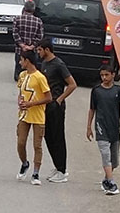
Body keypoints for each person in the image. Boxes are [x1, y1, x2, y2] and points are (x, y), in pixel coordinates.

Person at [86, 63, 120, 195]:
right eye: (102, 75)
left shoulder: (118, 90)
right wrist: (89, 127)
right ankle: (111, 182)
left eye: (106, 75)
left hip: (114, 129)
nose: (104, 77)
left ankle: (106, 179)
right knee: (106, 155)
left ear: (113, 75)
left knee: (114, 161)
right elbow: (92, 109)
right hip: (101, 128)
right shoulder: (96, 91)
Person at [36, 39, 77, 184]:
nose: (38, 53)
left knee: (58, 137)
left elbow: (72, 85)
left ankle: (62, 170)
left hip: (56, 106)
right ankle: (57, 166)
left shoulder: (59, 64)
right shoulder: (44, 63)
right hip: (45, 105)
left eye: (40, 50)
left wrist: (59, 100)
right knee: (48, 136)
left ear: (47, 50)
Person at [15, 51, 50, 186]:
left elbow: (48, 97)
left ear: (27, 61)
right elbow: (20, 93)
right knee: (21, 142)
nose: (20, 63)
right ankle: (24, 162)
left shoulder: (40, 77)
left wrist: (31, 104)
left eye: (21, 60)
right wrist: (20, 101)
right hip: (24, 115)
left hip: (38, 116)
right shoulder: (22, 76)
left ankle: (36, 172)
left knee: (37, 145)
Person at [12, 1, 43, 81]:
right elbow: (40, 36)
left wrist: (22, 45)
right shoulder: (38, 21)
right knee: (32, 71)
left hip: (20, 50)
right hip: (32, 51)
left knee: (18, 71)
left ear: (24, 8)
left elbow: (15, 33)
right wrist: (32, 46)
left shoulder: (17, 19)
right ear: (34, 9)